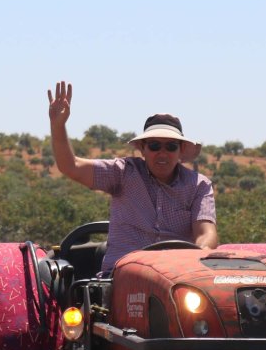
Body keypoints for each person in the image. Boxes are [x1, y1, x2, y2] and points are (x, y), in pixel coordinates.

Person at [47, 80, 217, 274]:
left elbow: (206, 233)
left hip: (175, 277)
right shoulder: (123, 172)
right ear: (143, 149)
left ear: (180, 151)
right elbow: (71, 166)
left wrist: (200, 254)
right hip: (121, 277)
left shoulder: (198, 185)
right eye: (154, 145)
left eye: (170, 146)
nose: (162, 153)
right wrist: (58, 125)